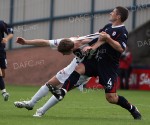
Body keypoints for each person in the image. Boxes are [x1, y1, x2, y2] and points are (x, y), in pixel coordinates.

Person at [47, 6, 142, 120]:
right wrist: (82, 43)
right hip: (96, 61)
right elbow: (98, 39)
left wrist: (108, 39)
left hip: (108, 67)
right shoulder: (107, 27)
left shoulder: (122, 31)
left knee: (111, 98)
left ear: (118, 16)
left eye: (113, 12)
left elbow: (121, 48)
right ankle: (62, 91)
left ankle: (132, 109)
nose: (110, 13)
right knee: (79, 68)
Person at [14, 34, 102, 117]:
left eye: (64, 53)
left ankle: (41, 111)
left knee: (61, 91)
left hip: (83, 73)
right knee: (49, 84)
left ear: (71, 50)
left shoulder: (90, 42)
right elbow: (45, 42)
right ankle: (31, 103)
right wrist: (26, 42)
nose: (63, 55)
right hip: (73, 65)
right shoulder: (68, 41)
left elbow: (100, 39)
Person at [0, 20, 13, 101]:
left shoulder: (1, 23)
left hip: (1, 51)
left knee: (3, 74)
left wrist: (6, 39)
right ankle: (4, 92)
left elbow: (11, 33)